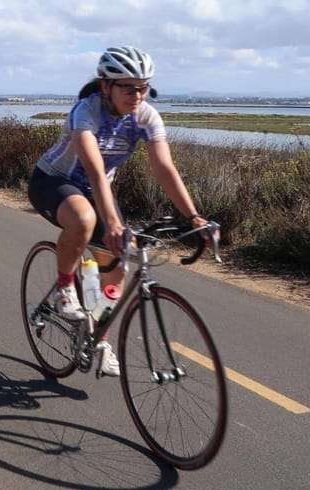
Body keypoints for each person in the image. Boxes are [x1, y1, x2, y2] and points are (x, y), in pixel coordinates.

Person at [27, 46, 216, 376]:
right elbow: (95, 169)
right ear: (106, 86)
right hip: (53, 181)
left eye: (143, 87)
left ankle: (100, 339)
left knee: (118, 264)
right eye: (128, 87)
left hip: (95, 190)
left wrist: (194, 217)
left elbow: (165, 168)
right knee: (85, 221)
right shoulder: (86, 112)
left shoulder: (146, 116)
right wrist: (112, 222)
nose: (137, 94)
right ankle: (63, 288)